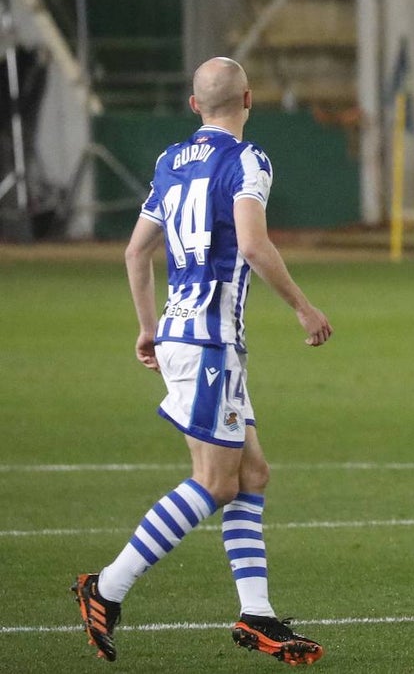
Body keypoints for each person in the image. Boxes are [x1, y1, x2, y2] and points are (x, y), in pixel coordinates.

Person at [73, 57, 333, 665]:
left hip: (185, 336)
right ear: (248, 98)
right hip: (209, 341)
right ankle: (105, 589)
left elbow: (136, 252)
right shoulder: (249, 160)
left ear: (194, 106)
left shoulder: (168, 162)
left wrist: (148, 329)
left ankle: (258, 615)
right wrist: (302, 306)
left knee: (252, 475)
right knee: (215, 482)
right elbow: (250, 241)